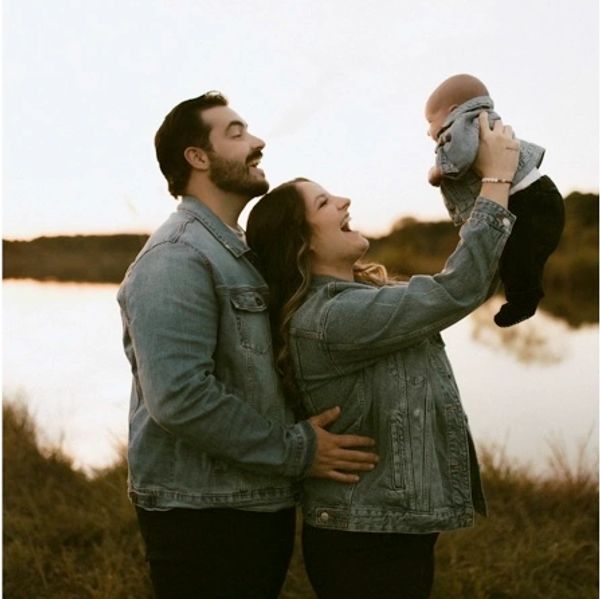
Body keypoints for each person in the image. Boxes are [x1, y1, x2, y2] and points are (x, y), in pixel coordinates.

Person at [245, 113, 520, 599]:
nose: (345, 201)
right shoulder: (330, 318)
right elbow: (459, 288)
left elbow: (476, 266)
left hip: (384, 527)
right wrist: (496, 178)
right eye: (325, 203)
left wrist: (465, 176)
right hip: (365, 540)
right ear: (301, 242)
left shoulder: (360, 297)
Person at [116, 91, 379, 599]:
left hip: (249, 503)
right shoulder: (175, 258)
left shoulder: (235, 253)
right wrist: (297, 449)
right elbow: (179, 398)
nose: (256, 142)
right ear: (198, 158)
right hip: (203, 514)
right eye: (235, 133)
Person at [425, 73, 565, 327]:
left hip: (526, 201)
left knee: (515, 258)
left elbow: (460, 158)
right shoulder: (485, 121)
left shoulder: (463, 124)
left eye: (430, 121)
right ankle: (524, 295)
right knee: (520, 257)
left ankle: (523, 300)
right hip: (539, 196)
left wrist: (436, 173)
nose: (428, 132)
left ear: (453, 111)